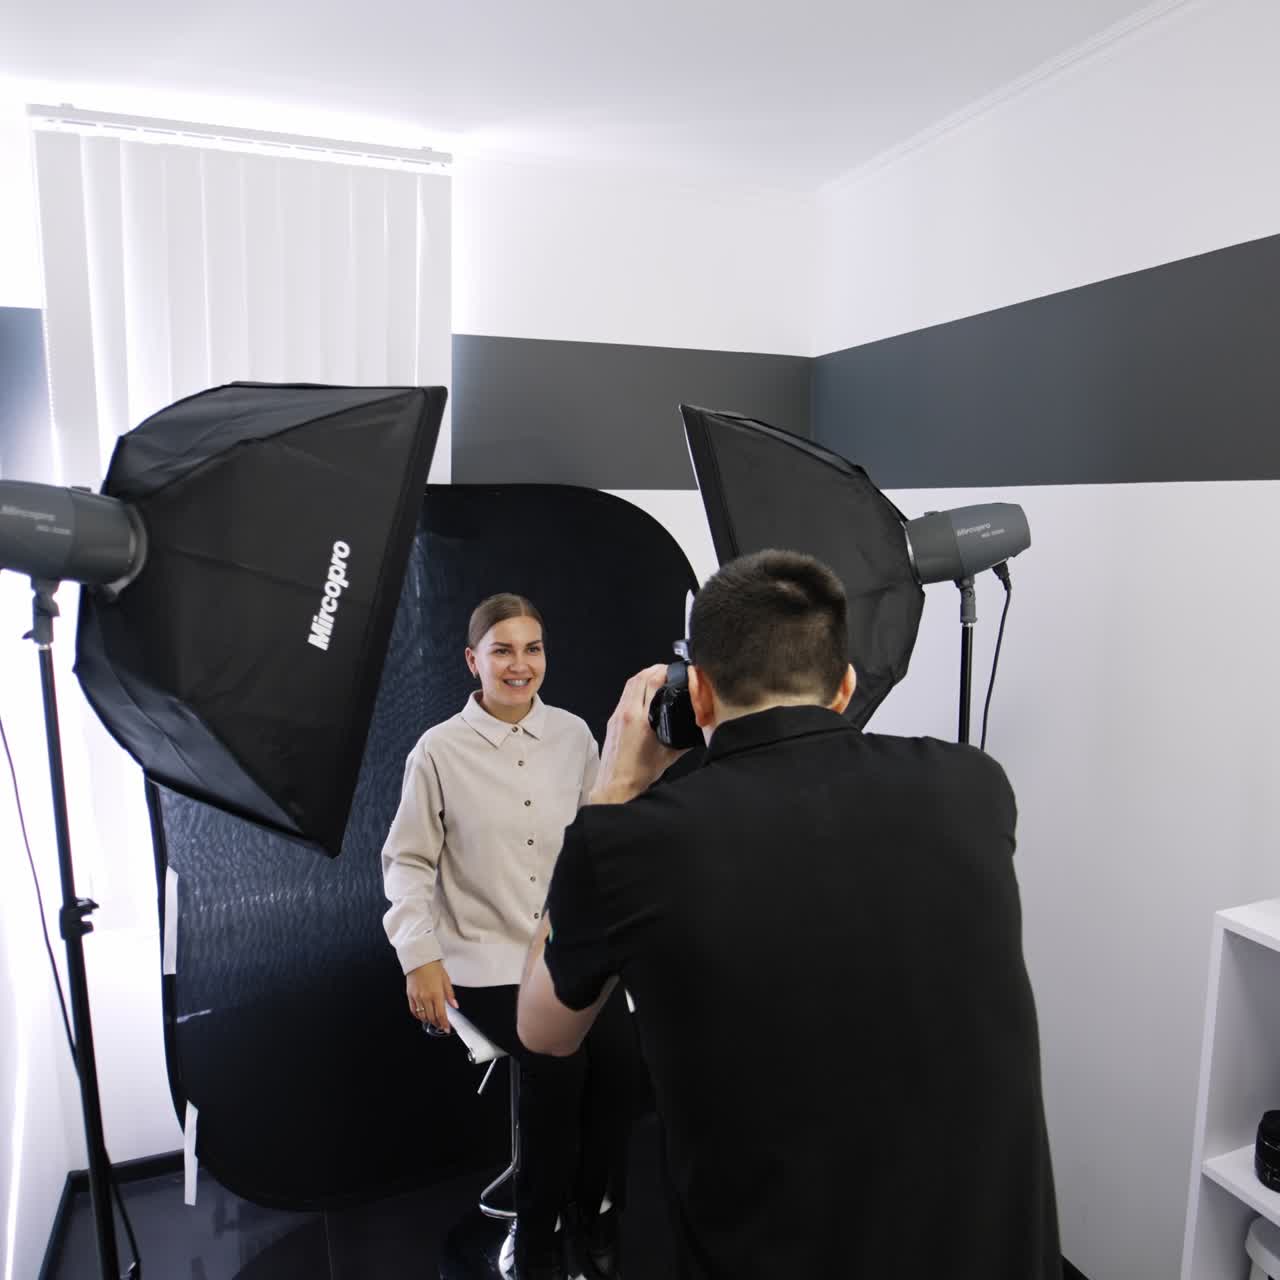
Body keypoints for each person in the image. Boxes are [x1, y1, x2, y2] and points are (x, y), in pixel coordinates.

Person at [516, 550, 1061, 1279]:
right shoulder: (976, 788)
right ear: (844, 688)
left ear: (698, 698)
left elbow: (543, 1031)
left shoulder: (628, 844)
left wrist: (616, 783)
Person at [381, 593, 639, 1280]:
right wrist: (419, 957)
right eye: (503, 649)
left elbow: (598, 842)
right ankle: (539, 1229)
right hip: (487, 960)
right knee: (559, 1072)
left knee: (623, 1068)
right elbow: (406, 861)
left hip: (571, 946)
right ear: (473, 660)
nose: (520, 664)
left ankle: (594, 1207)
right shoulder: (436, 751)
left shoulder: (576, 736)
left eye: (533, 648)